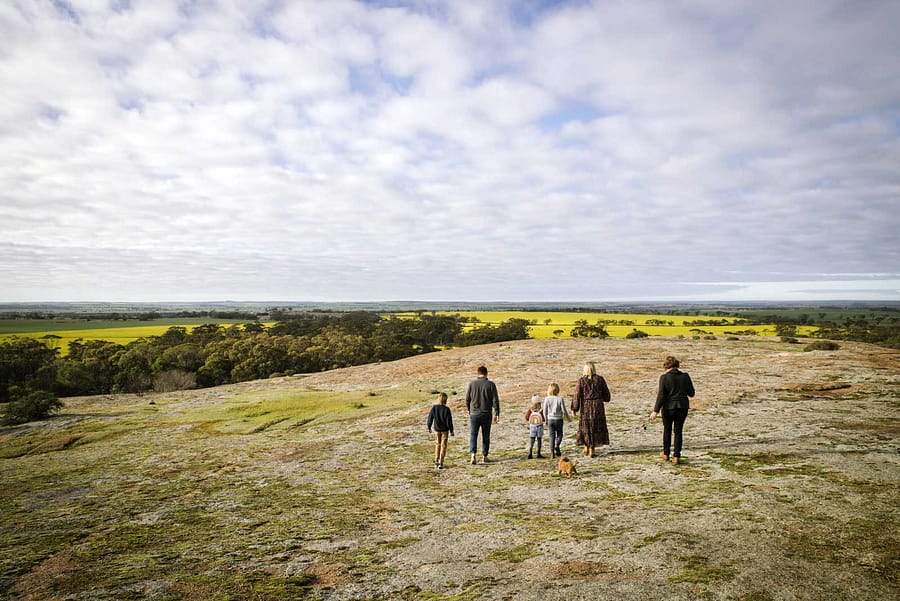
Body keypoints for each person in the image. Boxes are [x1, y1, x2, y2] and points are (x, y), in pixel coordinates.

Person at [650, 355, 695, 465]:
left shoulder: (664, 377)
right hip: (682, 406)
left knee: (667, 430)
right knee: (678, 431)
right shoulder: (685, 376)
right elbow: (692, 393)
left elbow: (661, 395)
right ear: (677, 365)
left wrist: (655, 411)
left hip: (668, 407)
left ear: (666, 366)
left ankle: (666, 454)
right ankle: (676, 456)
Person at [571, 361, 611, 458]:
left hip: (586, 405)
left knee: (586, 426)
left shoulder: (581, 381)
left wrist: (574, 408)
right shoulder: (600, 379)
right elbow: (607, 395)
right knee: (595, 427)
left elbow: (577, 395)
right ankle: (592, 448)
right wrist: (604, 398)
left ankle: (586, 446)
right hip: (598, 406)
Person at [465, 365, 500, 464]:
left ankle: (473, 455)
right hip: (486, 413)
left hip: (474, 414)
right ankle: (484, 455)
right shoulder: (491, 385)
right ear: (486, 373)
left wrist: (469, 410)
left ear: (478, 373)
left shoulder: (472, 384)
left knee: (473, 434)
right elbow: (495, 400)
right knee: (486, 435)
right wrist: (497, 413)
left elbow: (467, 399)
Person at [543, 382, 571, 458]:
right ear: (558, 390)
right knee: (560, 434)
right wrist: (568, 418)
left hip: (550, 419)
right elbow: (564, 410)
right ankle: (557, 444)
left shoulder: (547, 399)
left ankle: (552, 453)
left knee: (551, 436)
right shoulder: (560, 399)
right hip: (559, 419)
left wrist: (545, 420)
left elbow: (544, 410)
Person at [427, 392, 454, 469]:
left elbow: (430, 418)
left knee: (437, 444)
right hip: (445, 430)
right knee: (443, 446)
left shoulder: (434, 408)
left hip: (437, 429)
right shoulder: (447, 409)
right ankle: (441, 461)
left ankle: (436, 460)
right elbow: (449, 421)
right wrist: (451, 430)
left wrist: (429, 427)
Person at [524, 395, 545, 459]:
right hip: (539, 427)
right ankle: (538, 453)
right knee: (539, 440)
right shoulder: (541, 410)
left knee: (532, 440)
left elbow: (527, 418)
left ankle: (530, 452)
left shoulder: (530, 410)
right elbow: (543, 419)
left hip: (532, 427)